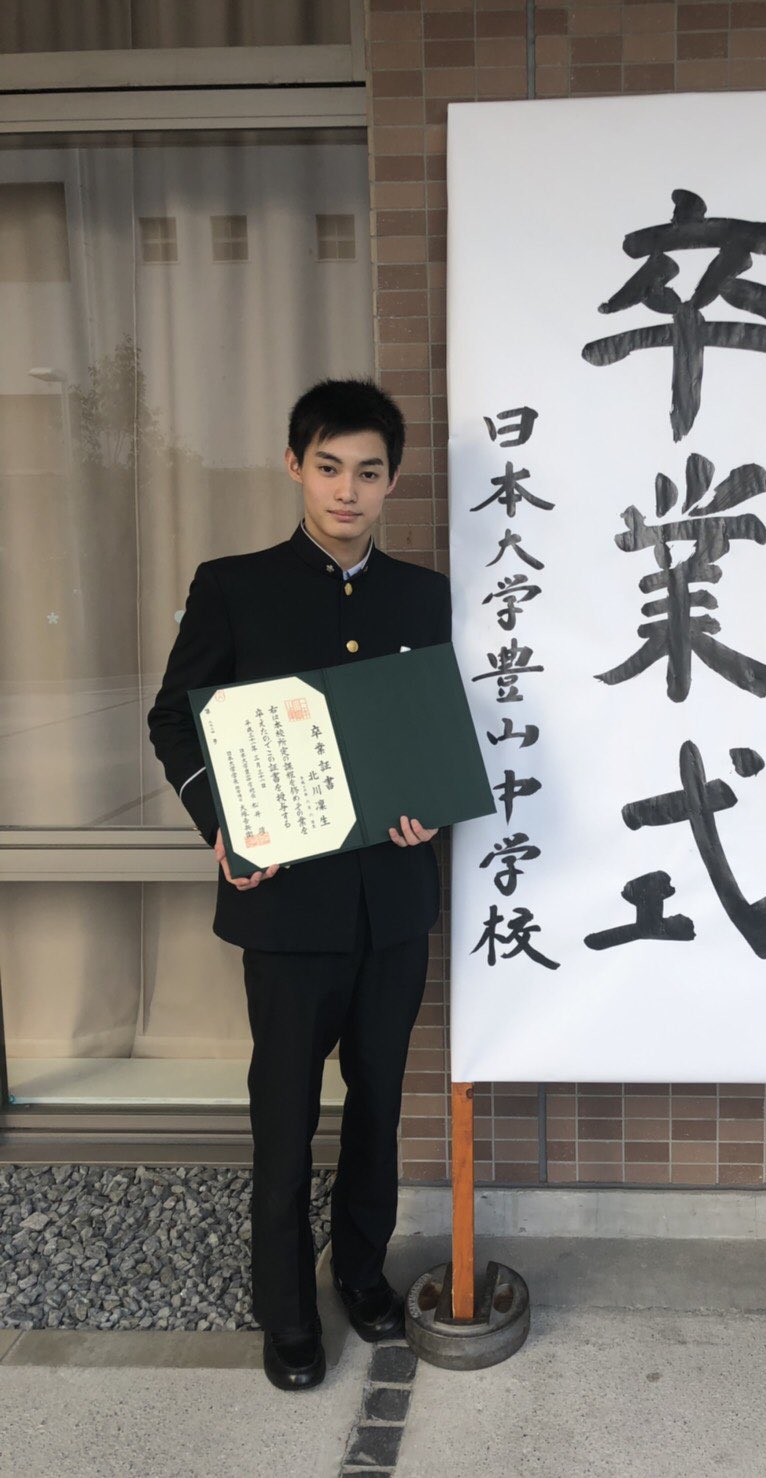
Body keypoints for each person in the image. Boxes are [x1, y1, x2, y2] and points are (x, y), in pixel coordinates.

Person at [148, 378, 450, 1391]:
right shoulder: (235, 586)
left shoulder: (421, 595)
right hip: (285, 906)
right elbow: (172, 717)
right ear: (295, 466)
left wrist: (430, 804)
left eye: (368, 471)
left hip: (392, 904)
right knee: (282, 1119)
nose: (346, 490)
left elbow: (427, 726)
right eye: (328, 467)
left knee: (377, 1108)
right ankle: (285, 1311)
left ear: (392, 480)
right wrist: (222, 823)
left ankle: (360, 1273)